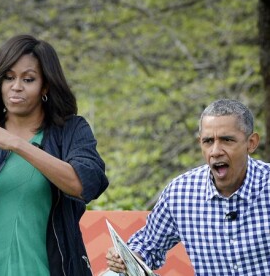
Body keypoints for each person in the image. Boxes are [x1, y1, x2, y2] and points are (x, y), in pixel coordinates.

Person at [0, 34, 108, 276]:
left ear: (45, 85)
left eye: (28, 79)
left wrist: (16, 143)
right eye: (8, 78)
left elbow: (83, 184)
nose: (16, 87)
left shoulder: (71, 131)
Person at [106, 99, 270, 275]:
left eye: (227, 140)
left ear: (251, 143)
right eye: (208, 141)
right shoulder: (180, 193)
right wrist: (123, 258)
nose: (215, 151)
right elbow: (147, 245)